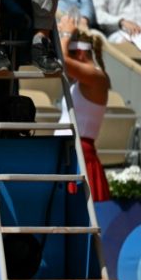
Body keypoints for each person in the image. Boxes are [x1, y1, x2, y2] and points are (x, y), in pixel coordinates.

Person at [55, 14, 111, 201]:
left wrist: (65, 33)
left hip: (80, 158)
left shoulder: (97, 77)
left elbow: (60, 61)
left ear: (79, 53)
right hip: (68, 154)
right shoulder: (83, 82)